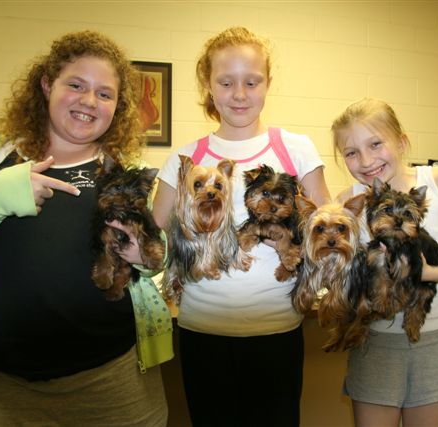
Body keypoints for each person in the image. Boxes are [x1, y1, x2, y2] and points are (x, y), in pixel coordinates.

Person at [0, 30, 173, 426]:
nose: (88, 101)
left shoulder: (121, 170)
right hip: (12, 392)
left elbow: (156, 255)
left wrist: (143, 252)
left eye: (104, 93)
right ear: (47, 85)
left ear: (117, 106)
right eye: (76, 85)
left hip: (116, 385)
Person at [152, 26, 330, 426]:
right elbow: (154, 240)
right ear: (208, 85)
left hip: (278, 333)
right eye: (226, 82)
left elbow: (323, 227)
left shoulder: (295, 148)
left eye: (252, 82)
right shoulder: (185, 158)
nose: (239, 94)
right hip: (203, 332)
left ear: (268, 83)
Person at [331, 98, 438, 427]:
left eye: (376, 144)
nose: (366, 160)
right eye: (351, 152)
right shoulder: (346, 203)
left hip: (433, 339)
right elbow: (336, 274)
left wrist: (428, 271)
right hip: (373, 342)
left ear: (402, 141)